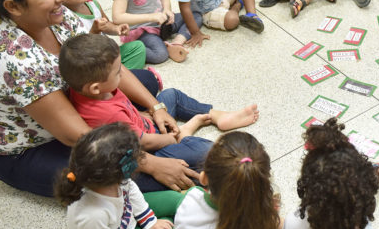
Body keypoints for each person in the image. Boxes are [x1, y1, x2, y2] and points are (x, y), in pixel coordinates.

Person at [0, 0, 195, 197]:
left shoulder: (58, 14)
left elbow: (105, 61)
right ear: (13, 6)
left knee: (145, 82)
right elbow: (75, 134)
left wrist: (156, 107)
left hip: (77, 104)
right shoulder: (15, 59)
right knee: (120, 180)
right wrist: (150, 163)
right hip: (37, 146)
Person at [59, 34, 258, 189]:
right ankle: (185, 135)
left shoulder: (94, 91)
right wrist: (171, 138)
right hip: (149, 148)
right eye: (118, 71)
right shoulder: (107, 114)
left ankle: (215, 115)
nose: (123, 73)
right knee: (203, 151)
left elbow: (123, 108)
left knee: (171, 95)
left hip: (144, 125)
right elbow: (143, 142)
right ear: (95, 87)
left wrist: (143, 113)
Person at [48, 0, 146, 69]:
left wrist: (116, 29)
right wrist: (94, 31)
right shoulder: (63, 17)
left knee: (138, 47)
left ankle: (121, 74)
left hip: (108, 53)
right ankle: (120, 76)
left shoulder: (92, 3)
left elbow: (107, 25)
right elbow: (79, 53)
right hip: (91, 65)